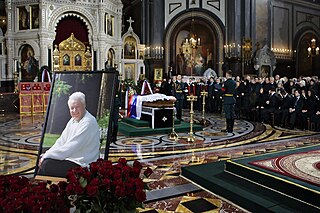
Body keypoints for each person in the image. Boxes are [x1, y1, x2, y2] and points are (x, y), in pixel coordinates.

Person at [38, 92, 100, 177]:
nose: (74, 111)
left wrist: (47, 155)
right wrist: (47, 154)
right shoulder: (73, 120)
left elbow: (71, 146)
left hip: (83, 164)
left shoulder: (88, 122)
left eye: (77, 107)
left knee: (47, 164)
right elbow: (61, 141)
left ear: (84, 105)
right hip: (71, 159)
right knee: (43, 160)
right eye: (72, 108)